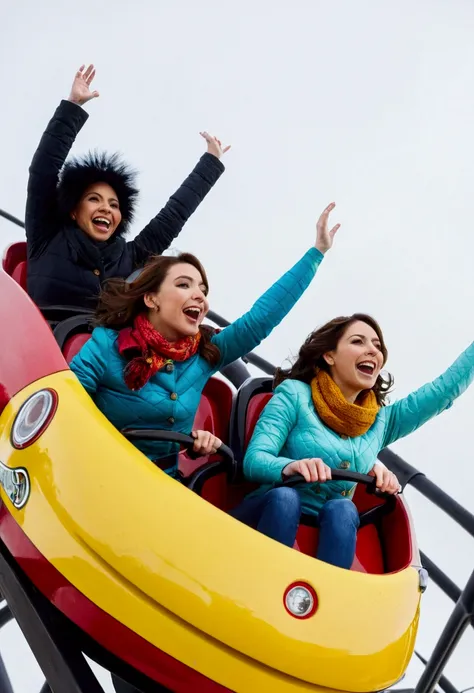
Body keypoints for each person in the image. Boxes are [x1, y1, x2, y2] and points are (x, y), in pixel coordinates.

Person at [69, 203, 340, 470]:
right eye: (184, 285)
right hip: (99, 471)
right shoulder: (106, 345)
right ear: (151, 299)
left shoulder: (203, 356)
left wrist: (316, 254)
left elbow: (259, 321)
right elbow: (67, 408)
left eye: (202, 289)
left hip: (161, 489)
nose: (199, 295)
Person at [241, 314, 474, 569]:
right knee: (286, 499)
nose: (372, 351)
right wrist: (289, 467)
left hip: (326, 527)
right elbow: (255, 460)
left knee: (343, 509)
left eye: (377, 345)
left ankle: (327, 598)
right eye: (358, 342)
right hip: (266, 513)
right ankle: (261, 577)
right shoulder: (294, 394)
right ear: (329, 355)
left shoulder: (380, 423)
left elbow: (441, 393)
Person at [25, 64, 229, 310]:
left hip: (102, 347)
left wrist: (210, 163)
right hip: (42, 341)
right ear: (73, 210)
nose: (106, 209)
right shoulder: (47, 234)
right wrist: (72, 107)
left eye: (114, 204)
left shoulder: (128, 258)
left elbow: (173, 217)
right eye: (94, 199)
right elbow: (43, 171)